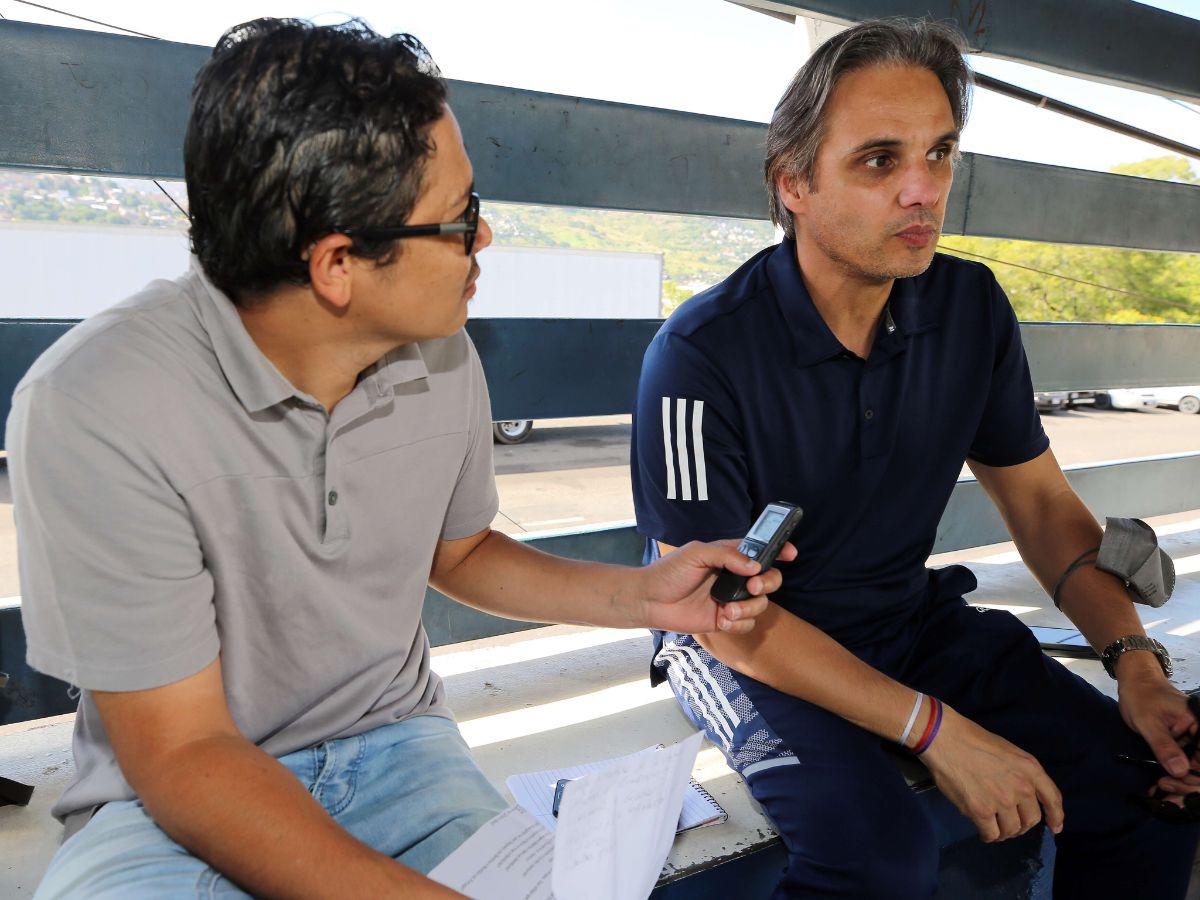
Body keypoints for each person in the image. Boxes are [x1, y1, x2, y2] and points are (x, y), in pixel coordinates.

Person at [7, 18, 790, 899]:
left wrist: (646, 596)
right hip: (168, 802)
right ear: (339, 264)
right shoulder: (95, 405)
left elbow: (455, 552)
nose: (484, 240)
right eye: (461, 220)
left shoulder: (440, 351)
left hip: (399, 755)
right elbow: (185, 754)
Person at [631, 18, 1200, 899]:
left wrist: (1133, 659)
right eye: (878, 161)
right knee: (877, 858)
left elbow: (1047, 514)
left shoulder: (968, 307)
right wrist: (939, 731)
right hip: (749, 643)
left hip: (905, 620)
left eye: (939, 155)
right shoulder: (700, 352)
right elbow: (716, 614)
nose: (921, 191)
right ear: (794, 184)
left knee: (1149, 781)